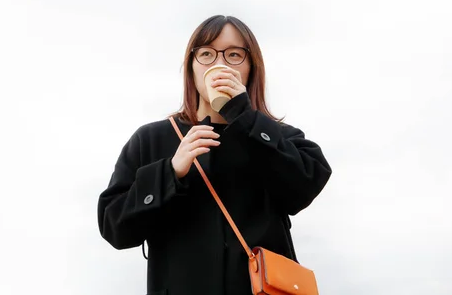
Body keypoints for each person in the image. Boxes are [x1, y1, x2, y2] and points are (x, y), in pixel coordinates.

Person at [97, 15, 332, 295]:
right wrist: (170, 173)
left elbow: (305, 187)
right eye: (207, 54)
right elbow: (115, 228)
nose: (219, 65)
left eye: (234, 55)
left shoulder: (278, 135)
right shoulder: (151, 139)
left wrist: (244, 116)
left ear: (251, 68)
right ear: (191, 68)